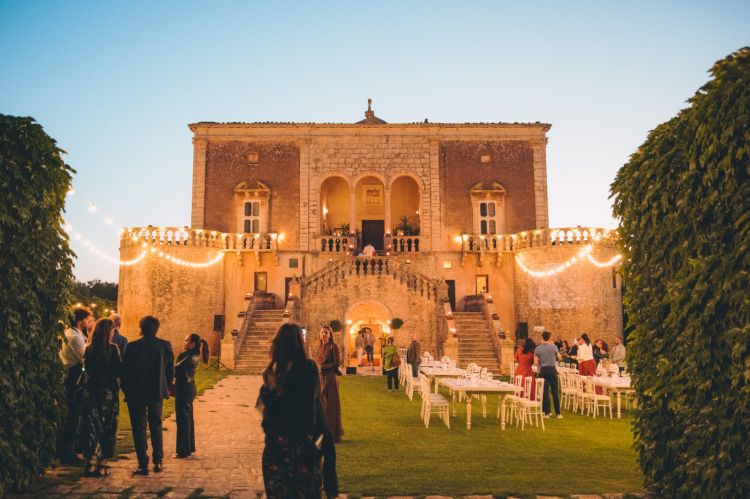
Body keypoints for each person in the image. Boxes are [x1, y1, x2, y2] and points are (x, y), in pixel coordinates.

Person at [259, 323, 338, 498]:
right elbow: (313, 407)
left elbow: (265, 410)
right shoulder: (307, 368)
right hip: (299, 445)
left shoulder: (271, 371)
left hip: (275, 446)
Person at [121, 316, 174, 475]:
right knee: (156, 426)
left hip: (136, 393)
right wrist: (167, 387)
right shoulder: (164, 345)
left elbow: (125, 372)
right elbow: (170, 371)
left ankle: (142, 463)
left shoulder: (132, 347)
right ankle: (158, 461)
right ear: (156, 328)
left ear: (141, 328)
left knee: (139, 428)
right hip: (156, 391)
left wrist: (127, 390)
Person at [80, 318, 122, 477]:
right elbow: (118, 371)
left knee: (91, 427)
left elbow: (85, 369)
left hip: (91, 392)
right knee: (107, 428)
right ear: (108, 332)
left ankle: (90, 463)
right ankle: (102, 464)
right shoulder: (113, 349)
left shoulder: (88, 349)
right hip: (108, 395)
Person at [58, 306, 94, 464]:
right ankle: (68, 454)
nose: (89, 322)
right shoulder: (75, 337)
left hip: (72, 376)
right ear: (80, 321)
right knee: (73, 416)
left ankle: (70, 450)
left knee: (73, 416)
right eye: (87, 319)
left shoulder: (72, 334)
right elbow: (85, 360)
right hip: (75, 378)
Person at [173, 333, 209, 459]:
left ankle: (183, 451)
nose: (184, 343)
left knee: (183, 420)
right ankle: (188, 448)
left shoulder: (189, 355)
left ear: (193, 343)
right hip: (189, 387)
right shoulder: (194, 354)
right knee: (187, 419)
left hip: (184, 389)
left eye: (187, 341)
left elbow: (177, 369)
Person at [316, 326, 343, 443]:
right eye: (322, 332)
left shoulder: (333, 346)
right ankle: (323, 432)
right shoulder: (320, 347)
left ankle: (334, 434)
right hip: (322, 378)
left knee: (332, 405)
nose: (323, 334)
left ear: (330, 334)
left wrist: (324, 367)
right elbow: (319, 361)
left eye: (326, 332)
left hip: (331, 377)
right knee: (322, 405)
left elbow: (337, 362)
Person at [534, 331, 563, 419]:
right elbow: (559, 357)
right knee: (555, 392)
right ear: (550, 338)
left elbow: (535, 363)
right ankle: (558, 413)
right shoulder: (553, 347)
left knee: (545, 392)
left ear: (542, 337)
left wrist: (541, 361)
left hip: (543, 370)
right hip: (552, 369)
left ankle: (547, 412)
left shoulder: (538, 348)